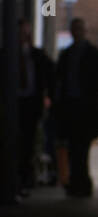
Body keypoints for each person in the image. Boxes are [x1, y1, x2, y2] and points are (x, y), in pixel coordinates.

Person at [53, 18, 98, 197]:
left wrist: (93, 96)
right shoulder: (68, 55)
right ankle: (78, 181)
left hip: (84, 108)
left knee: (81, 147)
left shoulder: (92, 55)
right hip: (72, 107)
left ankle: (81, 181)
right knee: (74, 147)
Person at [16, 18, 53, 192]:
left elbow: (51, 75)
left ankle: (25, 177)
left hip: (31, 104)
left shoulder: (37, 56)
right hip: (14, 105)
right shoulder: (7, 55)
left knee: (29, 142)